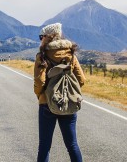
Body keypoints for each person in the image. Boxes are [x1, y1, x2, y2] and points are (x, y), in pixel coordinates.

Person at [34, 22, 86, 162]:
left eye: (41, 36)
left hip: (46, 103)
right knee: (72, 145)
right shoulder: (71, 54)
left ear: (47, 37)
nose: (40, 39)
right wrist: (69, 91)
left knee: (44, 146)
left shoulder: (43, 55)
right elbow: (81, 79)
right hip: (69, 102)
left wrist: (41, 95)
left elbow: (39, 82)